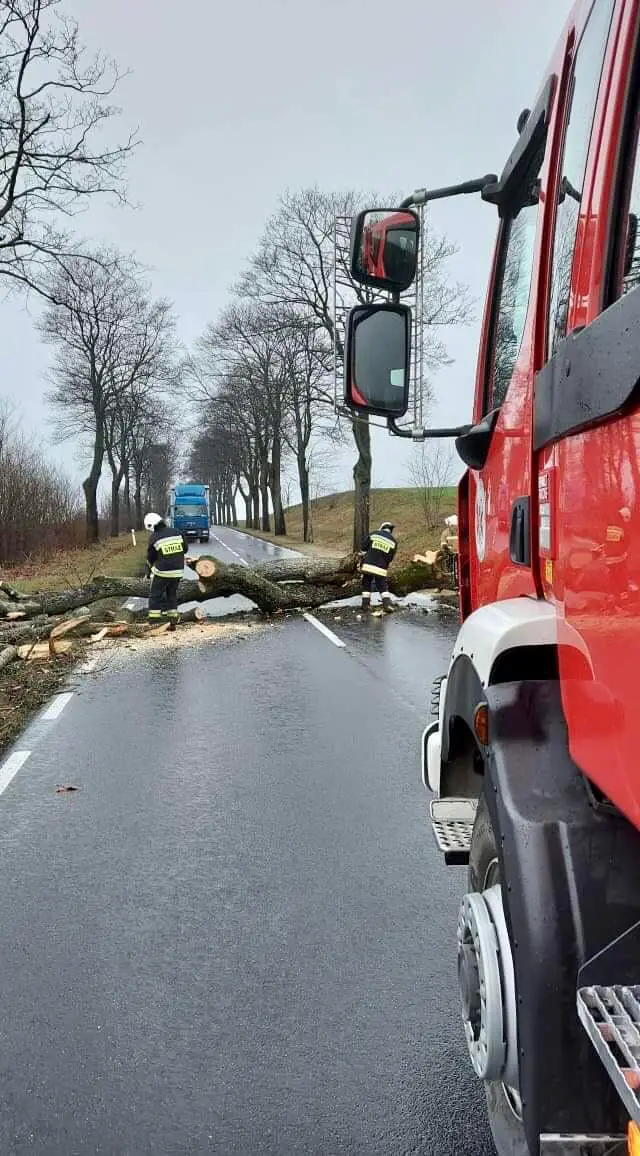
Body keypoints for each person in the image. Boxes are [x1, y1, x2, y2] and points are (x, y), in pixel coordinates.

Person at [144, 512, 188, 630]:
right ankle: (172, 620)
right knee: (171, 595)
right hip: (178, 571)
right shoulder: (177, 532)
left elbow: (151, 558)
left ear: (151, 525)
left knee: (155, 595)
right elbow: (185, 549)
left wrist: (147, 571)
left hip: (162, 572)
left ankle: (154, 621)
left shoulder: (154, 537)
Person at [359, 521, 397, 613]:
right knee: (382, 586)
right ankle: (387, 604)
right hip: (381, 568)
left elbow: (363, 549)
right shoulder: (393, 542)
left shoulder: (374, 534)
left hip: (368, 565)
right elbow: (390, 558)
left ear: (382, 527)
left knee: (366, 583)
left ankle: (365, 605)